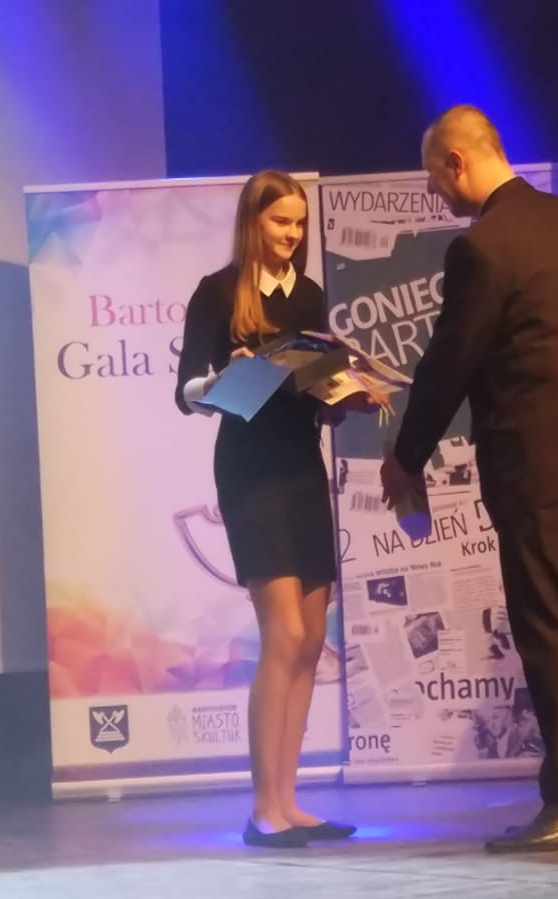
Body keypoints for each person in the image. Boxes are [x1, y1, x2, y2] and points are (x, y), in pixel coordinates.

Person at [380, 105, 558, 853]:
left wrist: (406, 454)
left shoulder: (483, 247)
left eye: (434, 177)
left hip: (543, 462)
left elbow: (450, 363)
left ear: (455, 161)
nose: (435, 193)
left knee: (551, 632)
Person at [175, 170, 379, 848]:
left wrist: (347, 397)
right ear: (252, 222)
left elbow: (314, 385)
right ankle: (263, 808)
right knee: (284, 634)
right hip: (251, 470)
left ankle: (289, 801)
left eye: (298, 223)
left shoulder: (309, 294)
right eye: (279, 222)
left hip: (300, 467)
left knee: (313, 638)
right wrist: (224, 378)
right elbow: (186, 391)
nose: (291, 234)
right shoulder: (216, 291)